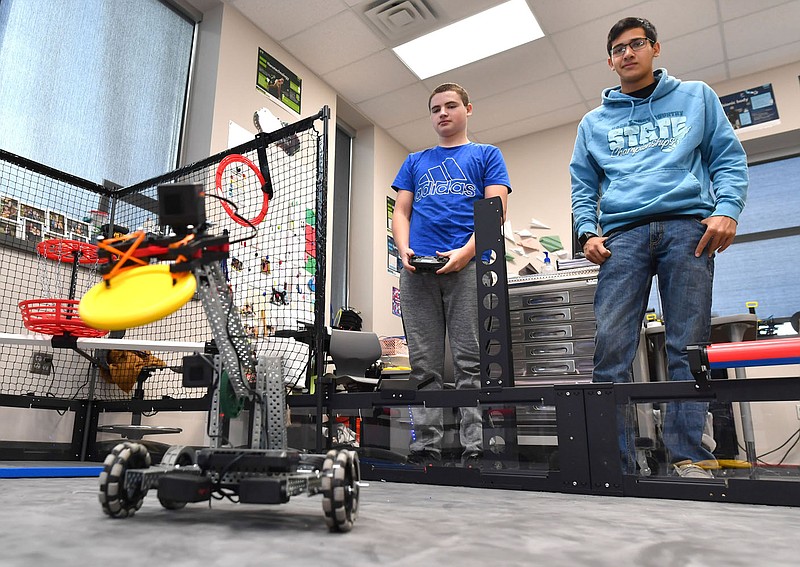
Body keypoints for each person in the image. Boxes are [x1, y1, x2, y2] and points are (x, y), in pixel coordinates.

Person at [570, 17, 748, 478]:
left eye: (636, 44)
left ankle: (688, 455)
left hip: (687, 226)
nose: (627, 53)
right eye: (618, 49)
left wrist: (727, 209)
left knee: (687, 345)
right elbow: (582, 185)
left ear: (655, 48)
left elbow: (727, 158)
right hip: (622, 236)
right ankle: (616, 460)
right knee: (611, 347)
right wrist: (586, 231)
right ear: (610, 61)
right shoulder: (593, 123)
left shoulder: (697, 97)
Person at [392, 83, 511, 467]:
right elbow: (402, 212)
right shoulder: (414, 161)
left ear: (468, 109)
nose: (442, 113)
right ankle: (425, 446)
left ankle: (475, 448)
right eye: (435, 108)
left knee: (469, 363)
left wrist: (464, 254)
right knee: (424, 365)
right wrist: (402, 248)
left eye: (450, 105)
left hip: (467, 268)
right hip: (417, 272)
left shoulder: (486, 155)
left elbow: (495, 212)